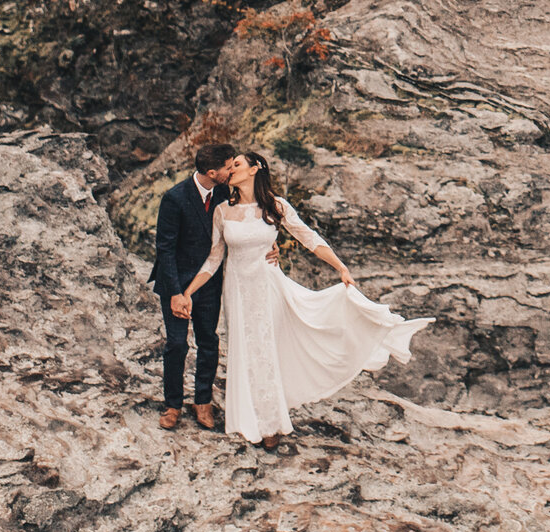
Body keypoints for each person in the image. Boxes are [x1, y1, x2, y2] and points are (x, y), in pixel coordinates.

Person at [176, 149, 432, 449]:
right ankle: (247, 420)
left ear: (255, 169)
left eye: (236, 165)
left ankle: (271, 423)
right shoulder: (222, 210)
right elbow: (214, 257)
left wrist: (341, 267)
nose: (230, 171)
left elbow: (308, 237)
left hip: (267, 286)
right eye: (229, 166)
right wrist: (187, 292)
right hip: (236, 290)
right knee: (244, 350)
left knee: (266, 351)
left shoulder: (276, 206)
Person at [149, 141, 239, 429]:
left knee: (209, 342)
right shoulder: (175, 198)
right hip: (175, 283)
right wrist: (176, 293)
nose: (232, 170)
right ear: (212, 172)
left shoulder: (226, 192)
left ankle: (203, 402)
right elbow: (164, 249)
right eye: (228, 167)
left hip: (209, 283)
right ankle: (173, 404)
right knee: (176, 344)